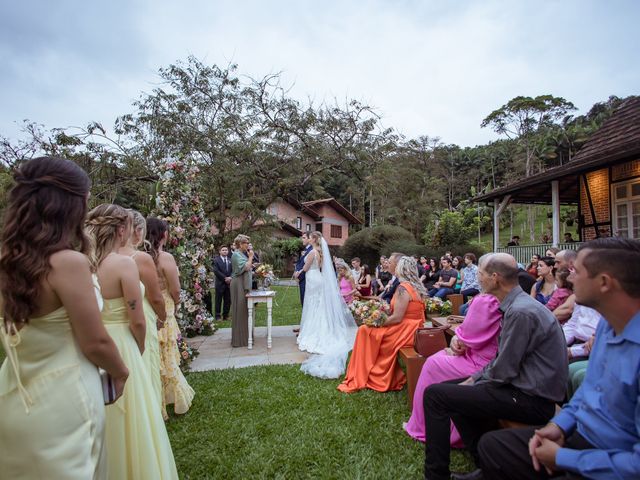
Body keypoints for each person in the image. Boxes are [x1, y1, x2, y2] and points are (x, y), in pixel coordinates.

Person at [0, 157, 128, 479]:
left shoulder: (7, 263)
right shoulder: (67, 263)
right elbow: (95, 342)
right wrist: (121, 372)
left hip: (12, 394)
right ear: (69, 205)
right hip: (65, 399)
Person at [477, 238, 640, 479]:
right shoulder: (607, 326)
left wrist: (563, 458)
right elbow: (587, 391)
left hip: (610, 457)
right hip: (580, 435)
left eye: (577, 271)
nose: (570, 277)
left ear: (604, 282)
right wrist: (559, 425)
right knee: (492, 446)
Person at [423, 253, 568, 480]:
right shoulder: (516, 305)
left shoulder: (521, 312)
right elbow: (504, 363)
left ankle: (436, 475)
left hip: (533, 398)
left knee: (435, 396)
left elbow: (504, 370)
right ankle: (487, 466)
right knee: (452, 393)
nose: (477, 278)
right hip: (520, 388)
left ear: (495, 277)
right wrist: (473, 381)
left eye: (480, 273)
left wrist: (474, 380)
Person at [87, 205, 178, 479]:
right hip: (124, 340)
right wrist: (137, 346)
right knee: (133, 412)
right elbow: (137, 319)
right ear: (121, 230)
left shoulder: (85, 262)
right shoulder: (123, 263)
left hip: (94, 339)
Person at [404, 294, 502, 444]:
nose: (479, 276)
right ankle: (428, 422)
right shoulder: (496, 299)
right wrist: (457, 340)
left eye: (481, 273)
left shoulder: (487, 301)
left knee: (432, 364)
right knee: (438, 357)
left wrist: (460, 339)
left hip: (481, 364)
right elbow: (469, 332)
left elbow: (470, 332)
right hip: (481, 356)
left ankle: (423, 426)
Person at [338, 256, 427, 393]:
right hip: (413, 326)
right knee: (365, 330)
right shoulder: (415, 286)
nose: (392, 267)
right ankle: (369, 369)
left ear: (400, 269)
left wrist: (377, 322)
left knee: (364, 330)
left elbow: (397, 318)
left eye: (395, 265)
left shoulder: (404, 288)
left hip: (406, 329)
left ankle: (369, 373)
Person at [146, 217, 195, 418]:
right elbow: (175, 288)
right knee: (167, 350)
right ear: (163, 234)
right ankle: (174, 397)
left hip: (147, 304)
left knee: (154, 353)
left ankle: (155, 397)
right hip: (163, 304)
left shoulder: (139, 256)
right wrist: (176, 303)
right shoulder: (165, 257)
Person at [118, 209, 165, 410]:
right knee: (144, 362)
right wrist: (163, 316)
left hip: (114, 323)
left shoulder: (100, 257)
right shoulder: (140, 258)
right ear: (137, 231)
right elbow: (155, 296)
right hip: (141, 316)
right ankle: (148, 411)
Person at [297, 232, 357, 378]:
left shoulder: (312, 252)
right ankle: (321, 327)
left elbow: (305, 268)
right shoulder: (321, 252)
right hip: (319, 278)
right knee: (318, 306)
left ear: (315, 239)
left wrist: (298, 272)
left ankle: (314, 331)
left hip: (312, 279)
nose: (309, 239)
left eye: (310, 237)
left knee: (312, 305)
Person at [230, 234, 253, 347]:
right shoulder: (235, 255)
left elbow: (247, 268)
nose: (248, 245)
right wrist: (250, 258)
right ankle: (239, 340)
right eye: (246, 243)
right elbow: (246, 267)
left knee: (245, 310)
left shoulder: (241, 254)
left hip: (243, 282)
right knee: (240, 310)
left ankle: (246, 337)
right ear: (240, 244)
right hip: (238, 283)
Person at [212, 245, 232, 321]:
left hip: (229, 283)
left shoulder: (230, 260)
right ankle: (217, 316)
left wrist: (230, 277)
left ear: (228, 251)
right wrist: (224, 278)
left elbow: (233, 270)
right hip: (220, 283)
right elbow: (216, 271)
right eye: (223, 250)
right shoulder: (216, 260)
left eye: (226, 250)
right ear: (220, 251)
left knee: (227, 300)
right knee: (218, 300)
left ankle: (226, 315)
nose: (225, 251)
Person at [294, 232, 312, 306]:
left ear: (310, 238)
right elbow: (300, 263)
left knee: (305, 301)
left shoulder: (311, 250)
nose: (302, 240)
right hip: (302, 277)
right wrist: (296, 271)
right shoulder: (306, 249)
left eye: (304, 238)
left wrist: (299, 276)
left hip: (305, 278)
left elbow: (306, 266)